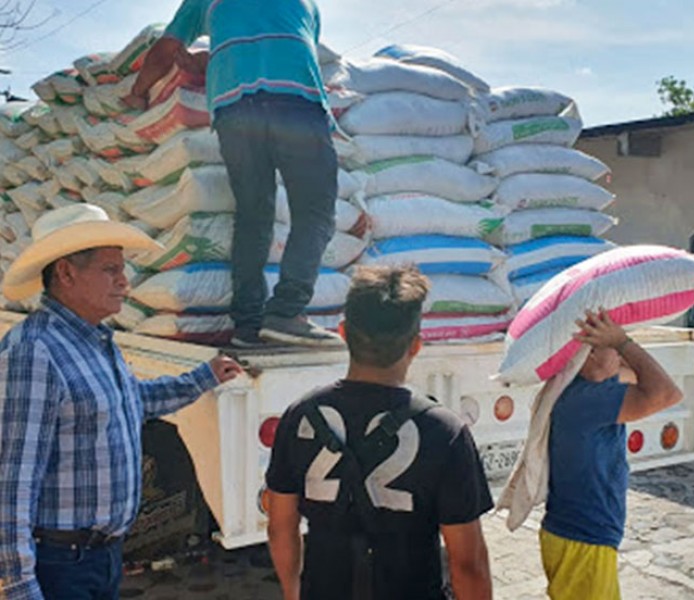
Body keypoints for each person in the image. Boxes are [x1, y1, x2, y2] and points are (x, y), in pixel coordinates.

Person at [0, 204, 244, 600]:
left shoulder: (97, 341)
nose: (124, 282)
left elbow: (134, 401)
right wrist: (19, 584)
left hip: (102, 557)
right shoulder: (34, 351)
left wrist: (203, 378)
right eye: (110, 270)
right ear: (65, 272)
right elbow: (13, 479)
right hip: (60, 565)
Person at [265, 265, 494, 600]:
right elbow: (468, 563)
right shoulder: (444, 431)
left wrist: (292, 592)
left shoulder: (300, 414)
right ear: (415, 345)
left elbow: (280, 527)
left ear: (343, 332)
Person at [124, 0, 342, 348]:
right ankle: (286, 313)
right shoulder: (307, 4)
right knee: (315, 211)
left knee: (253, 216)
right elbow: (286, 49)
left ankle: (247, 325)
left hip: (235, 110)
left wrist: (137, 92)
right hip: (296, 104)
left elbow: (165, 51)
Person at [539, 309, 684, 599]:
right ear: (587, 355)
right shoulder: (590, 399)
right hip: (584, 541)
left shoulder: (579, 389)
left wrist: (616, 343)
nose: (619, 358)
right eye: (611, 351)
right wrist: (623, 341)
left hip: (574, 536)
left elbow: (635, 377)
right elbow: (667, 393)